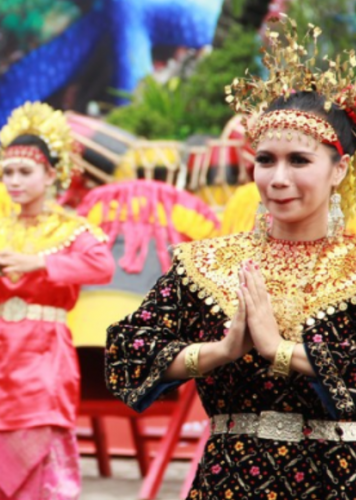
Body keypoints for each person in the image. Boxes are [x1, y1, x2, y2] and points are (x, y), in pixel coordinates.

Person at [105, 16, 356, 499]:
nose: (278, 178)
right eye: (266, 160)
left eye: (299, 161)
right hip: (231, 478)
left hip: (338, 479)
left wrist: (281, 353)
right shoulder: (209, 265)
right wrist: (219, 352)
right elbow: (125, 353)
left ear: (339, 168)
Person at [0, 102, 114, 499]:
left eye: (25, 172)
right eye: (8, 173)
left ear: (51, 174)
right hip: (1, 347)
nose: (14, 181)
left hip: (46, 349)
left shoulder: (71, 229)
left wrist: (37, 262)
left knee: (43, 445)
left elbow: (101, 266)